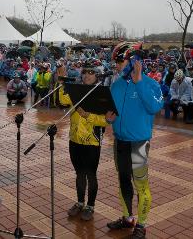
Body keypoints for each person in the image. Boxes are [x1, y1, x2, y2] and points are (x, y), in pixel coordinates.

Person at [107, 42, 163, 239]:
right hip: (119, 141)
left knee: (141, 184)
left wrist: (139, 82)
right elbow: (111, 111)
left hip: (139, 143)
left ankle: (142, 224)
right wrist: (108, 118)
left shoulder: (151, 84)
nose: (116, 65)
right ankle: (127, 218)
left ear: (134, 61)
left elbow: (155, 108)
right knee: (123, 180)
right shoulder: (116, 84)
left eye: (119, 61)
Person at [59, 65, 116, 221]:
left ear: (97, 75)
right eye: (84, 72)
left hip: (91, 141)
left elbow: (107, 119)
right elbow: (63, 100)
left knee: (90, 174)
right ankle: (79, 202)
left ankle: (90, 205)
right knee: (79, 173)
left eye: (91, 72)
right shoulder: (76, 90)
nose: (86, 75)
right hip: (74, 139)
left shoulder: (102, 93)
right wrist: (62, 82)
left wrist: (88, 116)